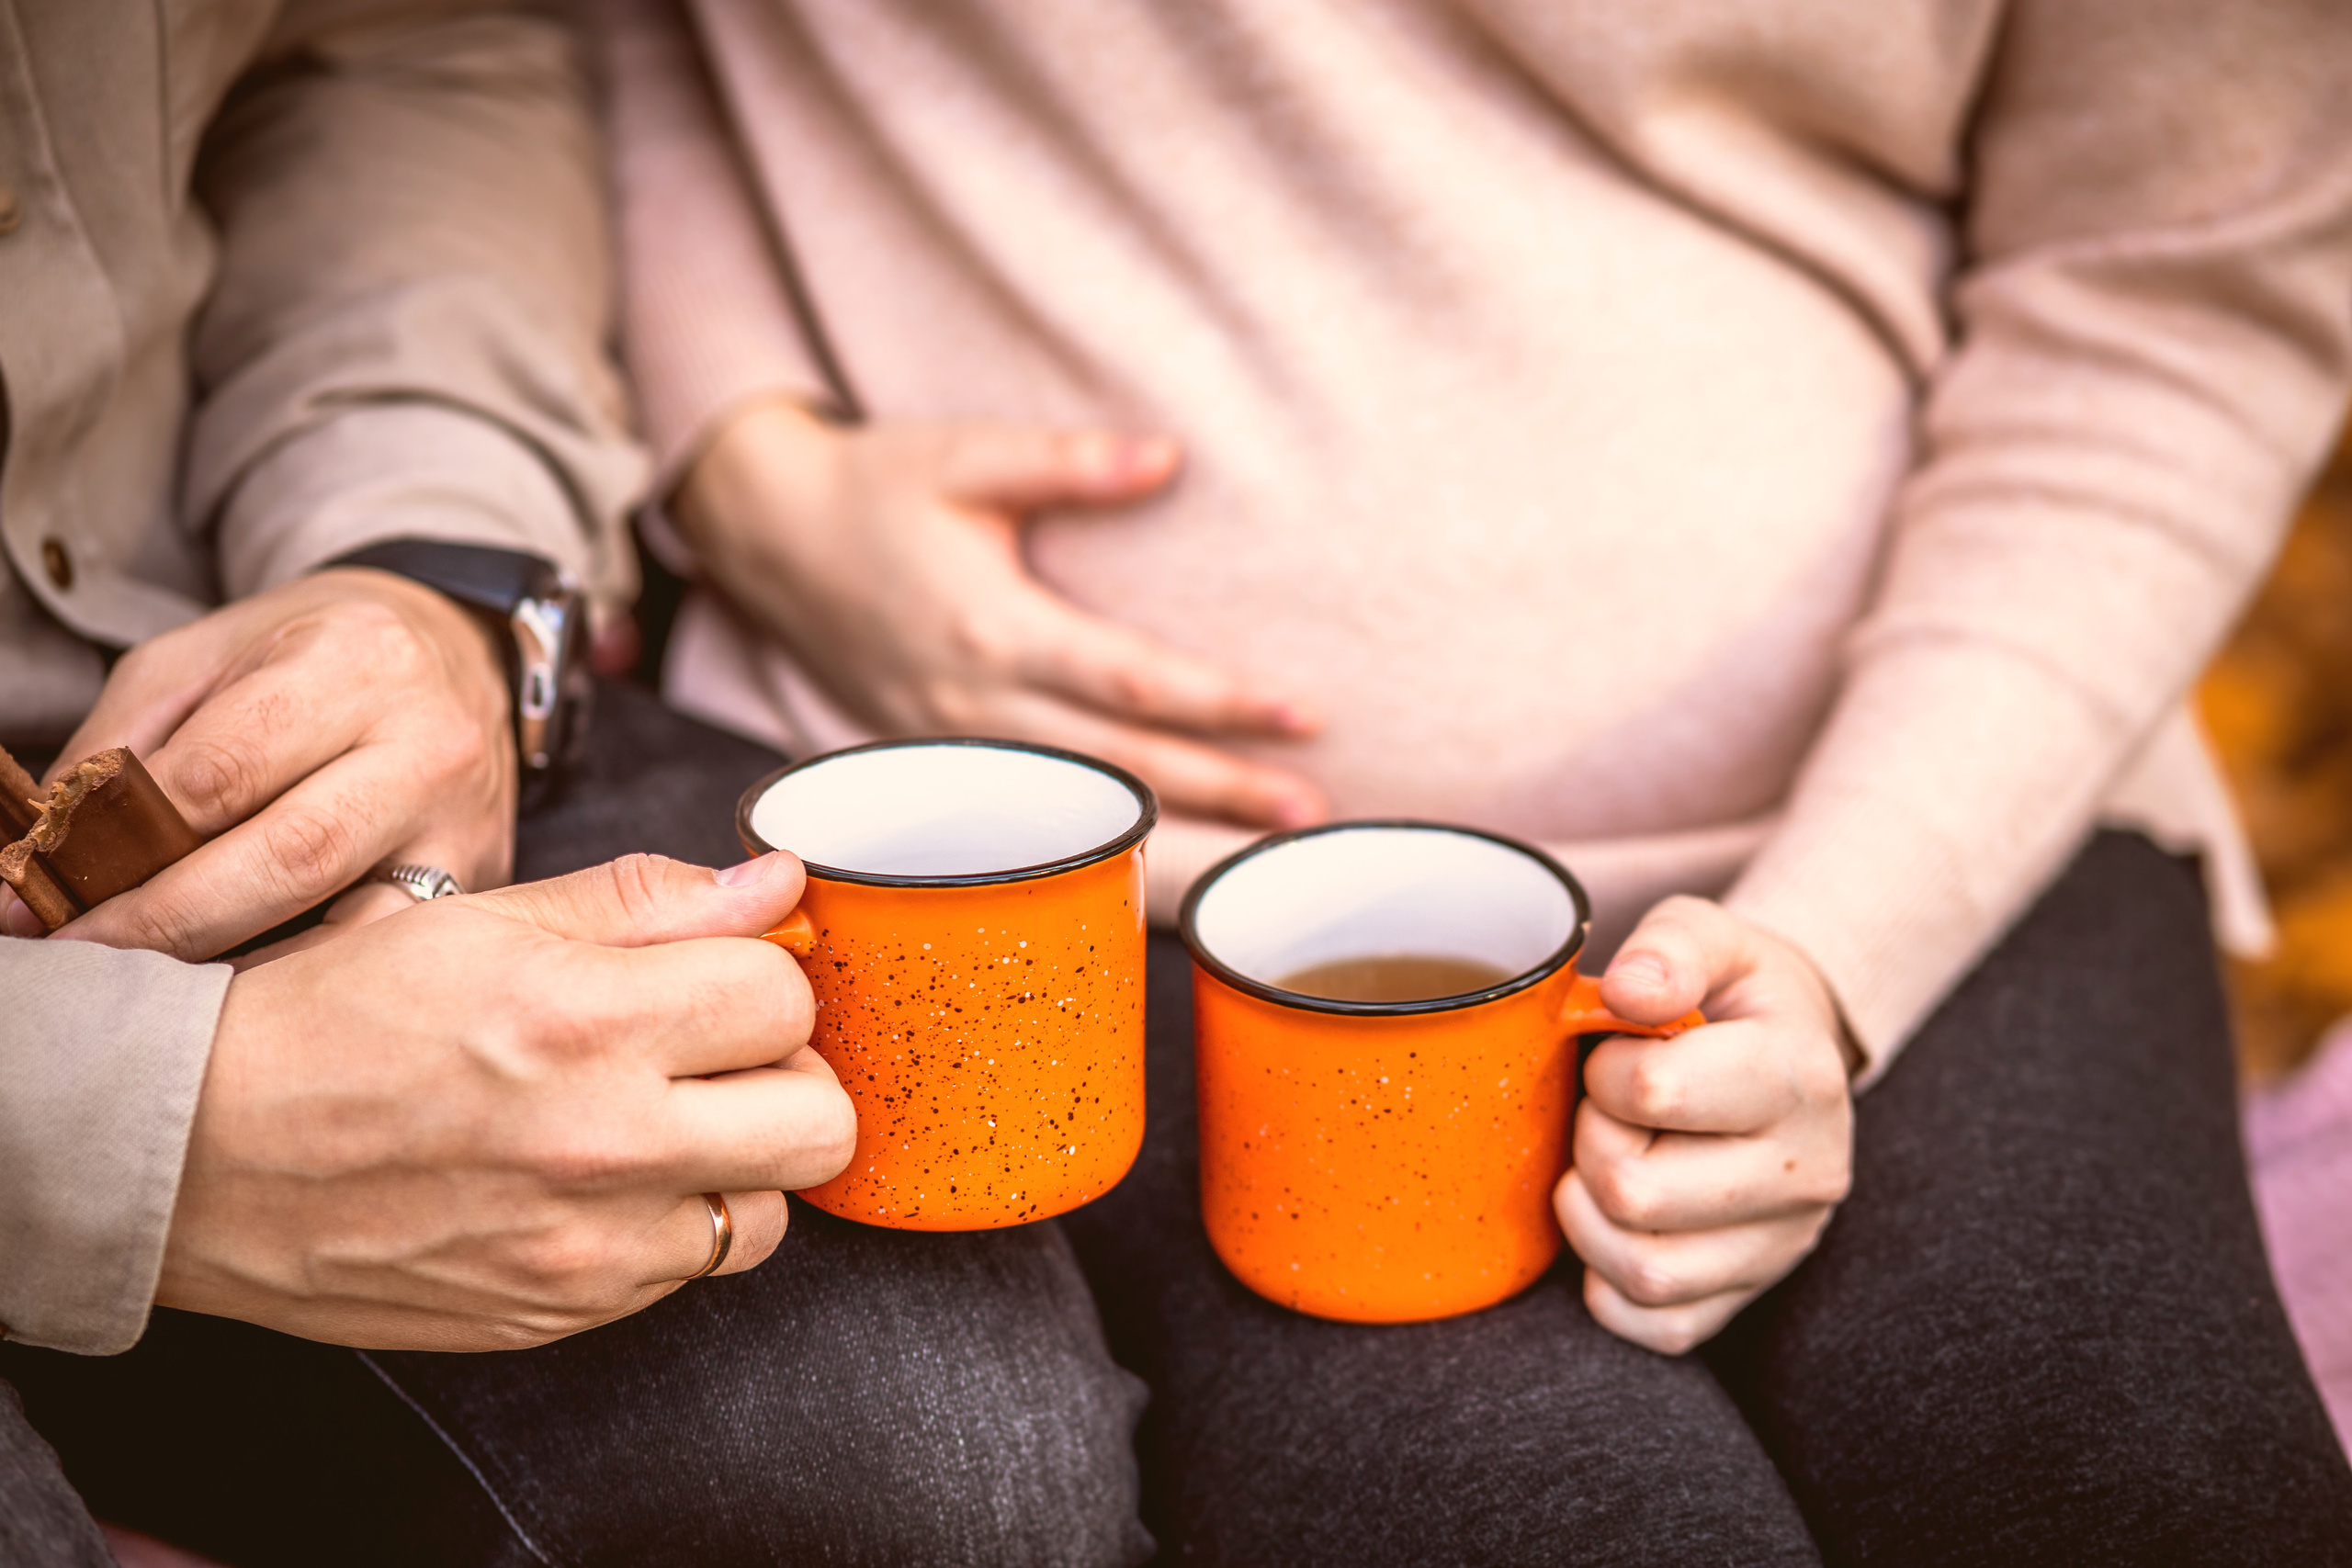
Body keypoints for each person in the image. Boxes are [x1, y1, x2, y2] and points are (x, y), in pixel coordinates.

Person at [601, 0, 2352, 1561]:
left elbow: (2168, 283)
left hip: (1958, 805)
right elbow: (534, 42)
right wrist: (739, 461)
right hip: (1074, 898)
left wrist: (1841, 942)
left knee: (2123, 1490)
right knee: (1557, 1520)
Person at [0, 4, 1148, 1565]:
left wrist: (428, 574)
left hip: (280, 651)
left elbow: (405, 47)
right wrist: (131, 1131)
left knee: (952, 1469)